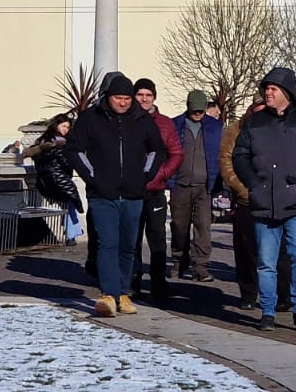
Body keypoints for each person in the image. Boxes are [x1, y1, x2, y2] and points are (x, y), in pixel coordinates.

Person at [232, 67, 296, 332]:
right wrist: (253, 183)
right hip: (264, 204)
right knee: (266, 261)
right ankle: (268, 311)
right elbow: (239, 155)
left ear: (286, 92)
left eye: (273, 89)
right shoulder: (255, 122)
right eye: (266, 88)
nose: (267, 93)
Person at [67, 72, 168, 317]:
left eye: (126, 98)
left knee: (128, 245)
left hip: (134, 193)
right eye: (117, 98)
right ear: (108, 97)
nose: (122, 103)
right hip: (102, 194)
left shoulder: (142, 119)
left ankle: (123, 292)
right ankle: (108, 295)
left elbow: (157, 149)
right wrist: (92, 176)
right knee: (107, 243)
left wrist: (145, 175)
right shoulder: (91, 118)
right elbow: (74, 149)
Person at [131, 78, 183, 302]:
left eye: (148, 95)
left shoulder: (165, 123)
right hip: (131, 190)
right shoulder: (126, 120)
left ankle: (158, 281)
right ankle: (132, 281)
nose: (144, 99)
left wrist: (162, 174)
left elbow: (177, 153)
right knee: (131, 239)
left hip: (155, 191)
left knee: (158, 238)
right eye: (140, 94)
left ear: (154, 97)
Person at [219, 97, 272, 310]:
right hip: (246, 198)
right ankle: (248, 293)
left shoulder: (277, 129)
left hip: (273, 198)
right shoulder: (236, 130)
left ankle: (279, 294)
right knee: (246, 251)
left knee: (275, 252)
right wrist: (243, 189)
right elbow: (226, 160)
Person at [170, 89, 222, 281]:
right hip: (180, 184)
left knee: (203, 227)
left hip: (205, 186)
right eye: (195, 111)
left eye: (201, 111)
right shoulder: (175, 125)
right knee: (179, 226)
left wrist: (219, 184)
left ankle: (201, 266)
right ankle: (178, 261)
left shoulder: (215, 127)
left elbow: (220, 155)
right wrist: (170, 180)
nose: (198, 114)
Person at [21, 113, 84, 243]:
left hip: (44, 182)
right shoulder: (59, 144)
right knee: (71, 202)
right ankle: (72, 233)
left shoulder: (43, 141)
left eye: (67, 127)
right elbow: (66, 163)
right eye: (64, 126)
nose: (66, 129)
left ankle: (74, 230)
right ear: (57, 125)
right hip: (59, 180)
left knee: (69, 203)